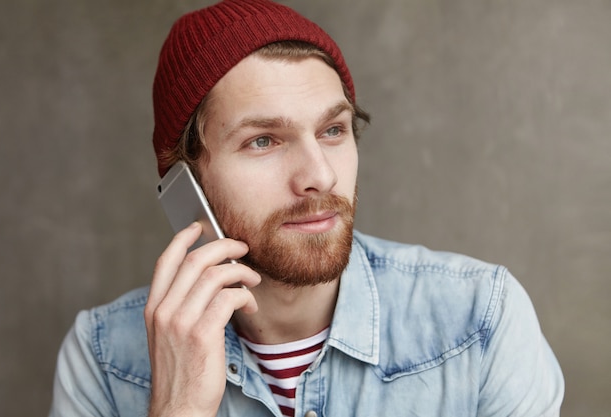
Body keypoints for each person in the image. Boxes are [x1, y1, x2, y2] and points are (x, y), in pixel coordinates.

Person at [49, 1, 564, 416]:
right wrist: (178, 409)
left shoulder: (479, 322)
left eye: (333, 130)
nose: (320, 175)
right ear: (184, 179)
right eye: (263, 141)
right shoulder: (101, 359)